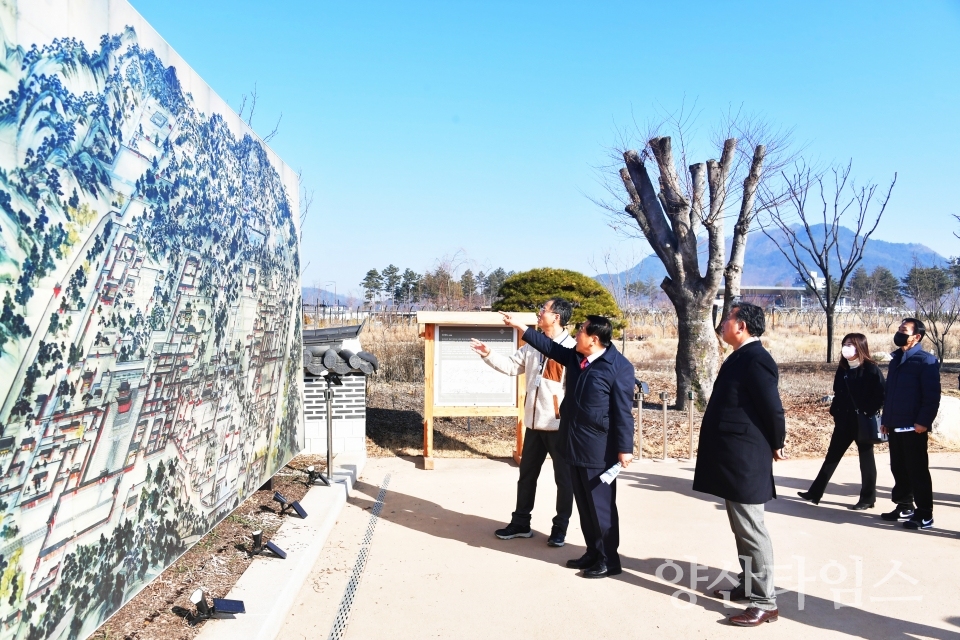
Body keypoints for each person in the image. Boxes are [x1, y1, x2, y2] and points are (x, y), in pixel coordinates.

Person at [500, 312, 634, 579]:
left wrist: (625, 448)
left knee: (601, 508)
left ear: (594, 339)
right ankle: (593, 552)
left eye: (582, 331)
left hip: (599, 450)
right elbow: (549, 346)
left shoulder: (618, 367)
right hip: (574, 443)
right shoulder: (577, 358)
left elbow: (623, 412)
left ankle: (609, 560)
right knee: (585, 505)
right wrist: (521, 327)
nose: (577, 335)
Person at [694, 302, 786, 627]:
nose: (722, 324)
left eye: (727, 319)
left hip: (746, 458)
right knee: (740, 526)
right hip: (733, 456)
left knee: (751, 527)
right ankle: (749, 585)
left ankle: (765, 603)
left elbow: (773, 408)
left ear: (742, 325)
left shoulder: (757, 359)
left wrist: (778, 442)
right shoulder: (740, 356)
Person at [469, 298, 576, 547]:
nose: (539, 313)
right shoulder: (532, 346)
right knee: (526, 476)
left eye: (544, 310)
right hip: (533, 424)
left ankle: (560, 528)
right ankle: (520, 523)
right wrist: (488, 353)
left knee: (564, 480)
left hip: (559, 426)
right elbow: (510, 366)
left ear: (557, 316)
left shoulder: (570, 349)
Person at [798, 333, 884, 510]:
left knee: (866, 460)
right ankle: (815, 493)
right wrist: (835, 412)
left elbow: (881, 395)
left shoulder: (871, 369)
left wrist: (867, 411)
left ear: (860, 346)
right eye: (845, 344)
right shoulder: (843, 369)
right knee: (832, 457)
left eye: (851, 344)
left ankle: (868, 499)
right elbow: (838, 392)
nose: (846, 347)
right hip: (844, 421)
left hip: (863, 422)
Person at [880, 318, 941, 530]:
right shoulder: (896, 359)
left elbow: (932, 396)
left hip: (914, 427)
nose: (899, 333)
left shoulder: (926, 361)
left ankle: (925, 514)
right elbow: (890, 394)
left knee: (918, 471)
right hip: (895, 424)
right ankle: (904, 505)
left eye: (903, 330)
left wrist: (923, 422)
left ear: (916, 336)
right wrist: (886, 420)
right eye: (899, 329)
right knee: (898, 468)